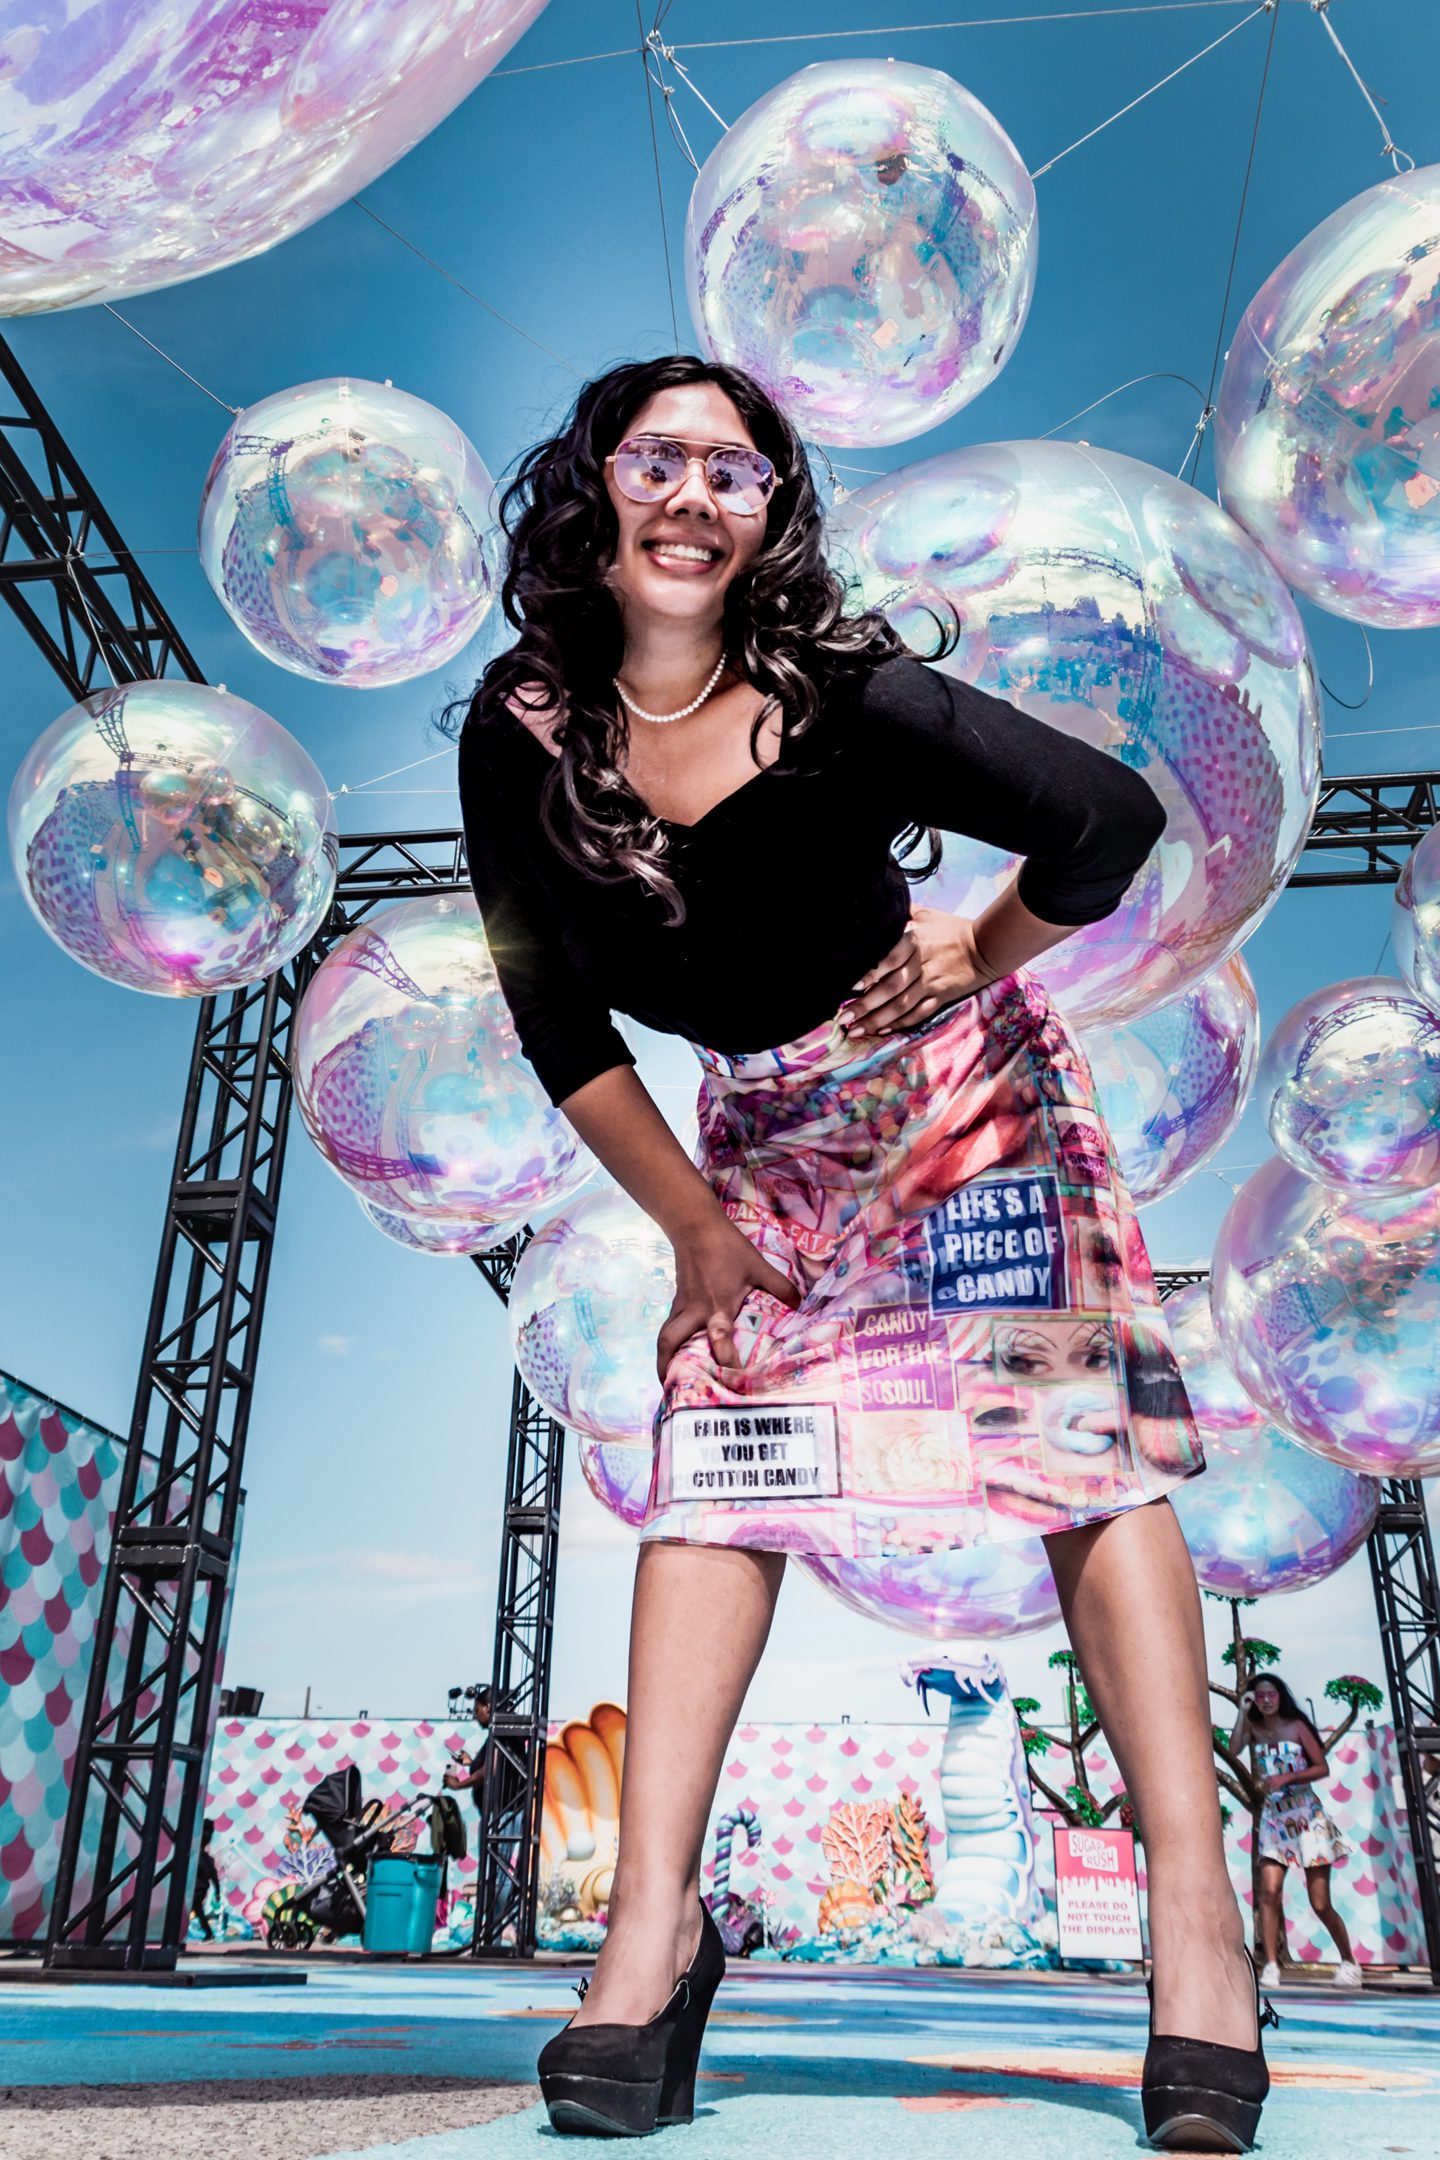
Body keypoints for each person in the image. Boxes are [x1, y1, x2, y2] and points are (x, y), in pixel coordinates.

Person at [458, 355, 1270, 2151]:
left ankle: (1200, 1929)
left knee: (1086, 1458)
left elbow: (1106, 822)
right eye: (655, 459)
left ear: (768, 517)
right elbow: (553, 1020)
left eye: (734, 473)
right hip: (760, 1145)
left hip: (962, 1104)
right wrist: (692, 1233)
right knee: (711, 1463)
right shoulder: (515, 724)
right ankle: (651, 1942)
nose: (690, 495)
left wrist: (976, 954)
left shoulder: (835, 692)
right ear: (594, 489)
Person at [1231, 1671, 1361, 1989]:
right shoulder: (1254, 1729)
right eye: (1258, 1695)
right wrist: (1241, 1711)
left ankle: (1349, 1961)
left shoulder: (1297, 1726)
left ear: (1280, 1695)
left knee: (1320, 1902)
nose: (1265, 1699)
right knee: (1269, 1891)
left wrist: (1286, 1779)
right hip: (1275, 1821)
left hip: (1308, 1819)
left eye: (1270, 1693)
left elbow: (1322, 1767)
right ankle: (1272, 1966)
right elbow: (1234, 1748)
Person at [443, 1686, 493, 1818]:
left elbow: (488, 1772)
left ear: (488, 1707)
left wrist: (458, 1785)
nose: (475, 1716)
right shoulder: (495, 1737)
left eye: (477, 1711)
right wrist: (470, 1762)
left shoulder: (501, 1736)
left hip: (499, 1816)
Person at [191, 1817, 220, 1943]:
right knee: (197, 1910)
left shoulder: (200, 1858)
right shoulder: (204, 1858)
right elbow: (213, 1876)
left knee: (196, 1909)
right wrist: (217, 1891)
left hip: (198, 1888)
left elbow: (213, 1875)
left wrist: (218, 1891)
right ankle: (208, 1933)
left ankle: (208, 1933)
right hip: (200, 1888)